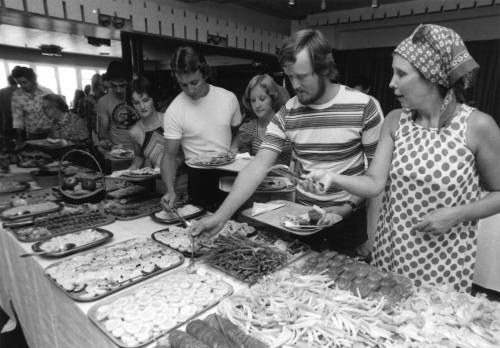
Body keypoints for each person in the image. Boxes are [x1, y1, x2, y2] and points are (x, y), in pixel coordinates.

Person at [302, 24, 500, 292]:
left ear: (432, 77)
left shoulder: (477, 127)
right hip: (391, 253)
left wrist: (457, 214)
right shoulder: (395, 122)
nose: (391, 83)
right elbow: (374, 183)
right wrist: (333, 177)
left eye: (401, 74)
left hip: (445, 261)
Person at [191, 29, 383, 255]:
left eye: (302, 76)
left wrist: (357, 218)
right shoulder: (288, 112)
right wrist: (220, 217)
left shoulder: (364, 106)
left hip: (349, 220)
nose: (295, 85)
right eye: (290, 76)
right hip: (304, 219)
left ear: (324, 70)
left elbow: (377, 177)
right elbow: (257, 167)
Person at [161, 46, 242, 212]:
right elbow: (169, 156)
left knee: (235, 229)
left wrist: (234, 147)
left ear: (204, 73)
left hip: (229, 173)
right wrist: (170, 190)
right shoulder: (175, 110)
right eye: (183, 85)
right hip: (198, 180)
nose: (190, 90)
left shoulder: (228, 98)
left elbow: (236, 131)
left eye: (194, 82)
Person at [237, 74, 291, 165]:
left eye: (262, 99)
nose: (257, 105)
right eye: (253, 100)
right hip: (260, 178)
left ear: (273, 98)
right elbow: (242, 161)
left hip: (288, 178)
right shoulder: (249, 128)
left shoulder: (290, 123)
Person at [96, 61, 137, 150]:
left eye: (122, 86)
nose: (118, 90)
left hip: (141, 153)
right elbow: (103, 132)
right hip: (119, 154)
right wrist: (108, 144)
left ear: (129, 82)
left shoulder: (139, 98)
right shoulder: (103, 101)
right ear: (109, 83)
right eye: (114, 86)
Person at [128, 77, 164, 170]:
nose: (142, 106)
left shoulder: (169, 119)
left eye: (146, 100)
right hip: (160, 182)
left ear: (153, 99)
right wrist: (127, 173)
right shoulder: (135, 132)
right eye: (136, 103)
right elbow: (139, 157)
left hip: (184, 180)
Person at [10, 66, 53, 145]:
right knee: (36, 155)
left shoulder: (47, 92)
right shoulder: (17, 95)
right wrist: (19, 138)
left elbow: (56, 111)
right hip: (33, 134)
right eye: (19, 83)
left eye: (24, 82)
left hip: (51, 132)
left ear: (33, 80)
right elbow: (17, 119)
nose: (22, 85)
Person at [84, 73, 105, 141]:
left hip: (96, 127)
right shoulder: (104, 96)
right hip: (98, 126)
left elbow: (87, 117)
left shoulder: (88, 98)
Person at [0, 75, 18, 142]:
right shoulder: (22, 91)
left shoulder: (2, 92)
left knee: (8, 142)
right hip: (21, 123)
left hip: (6, 121)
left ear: (8, 81)